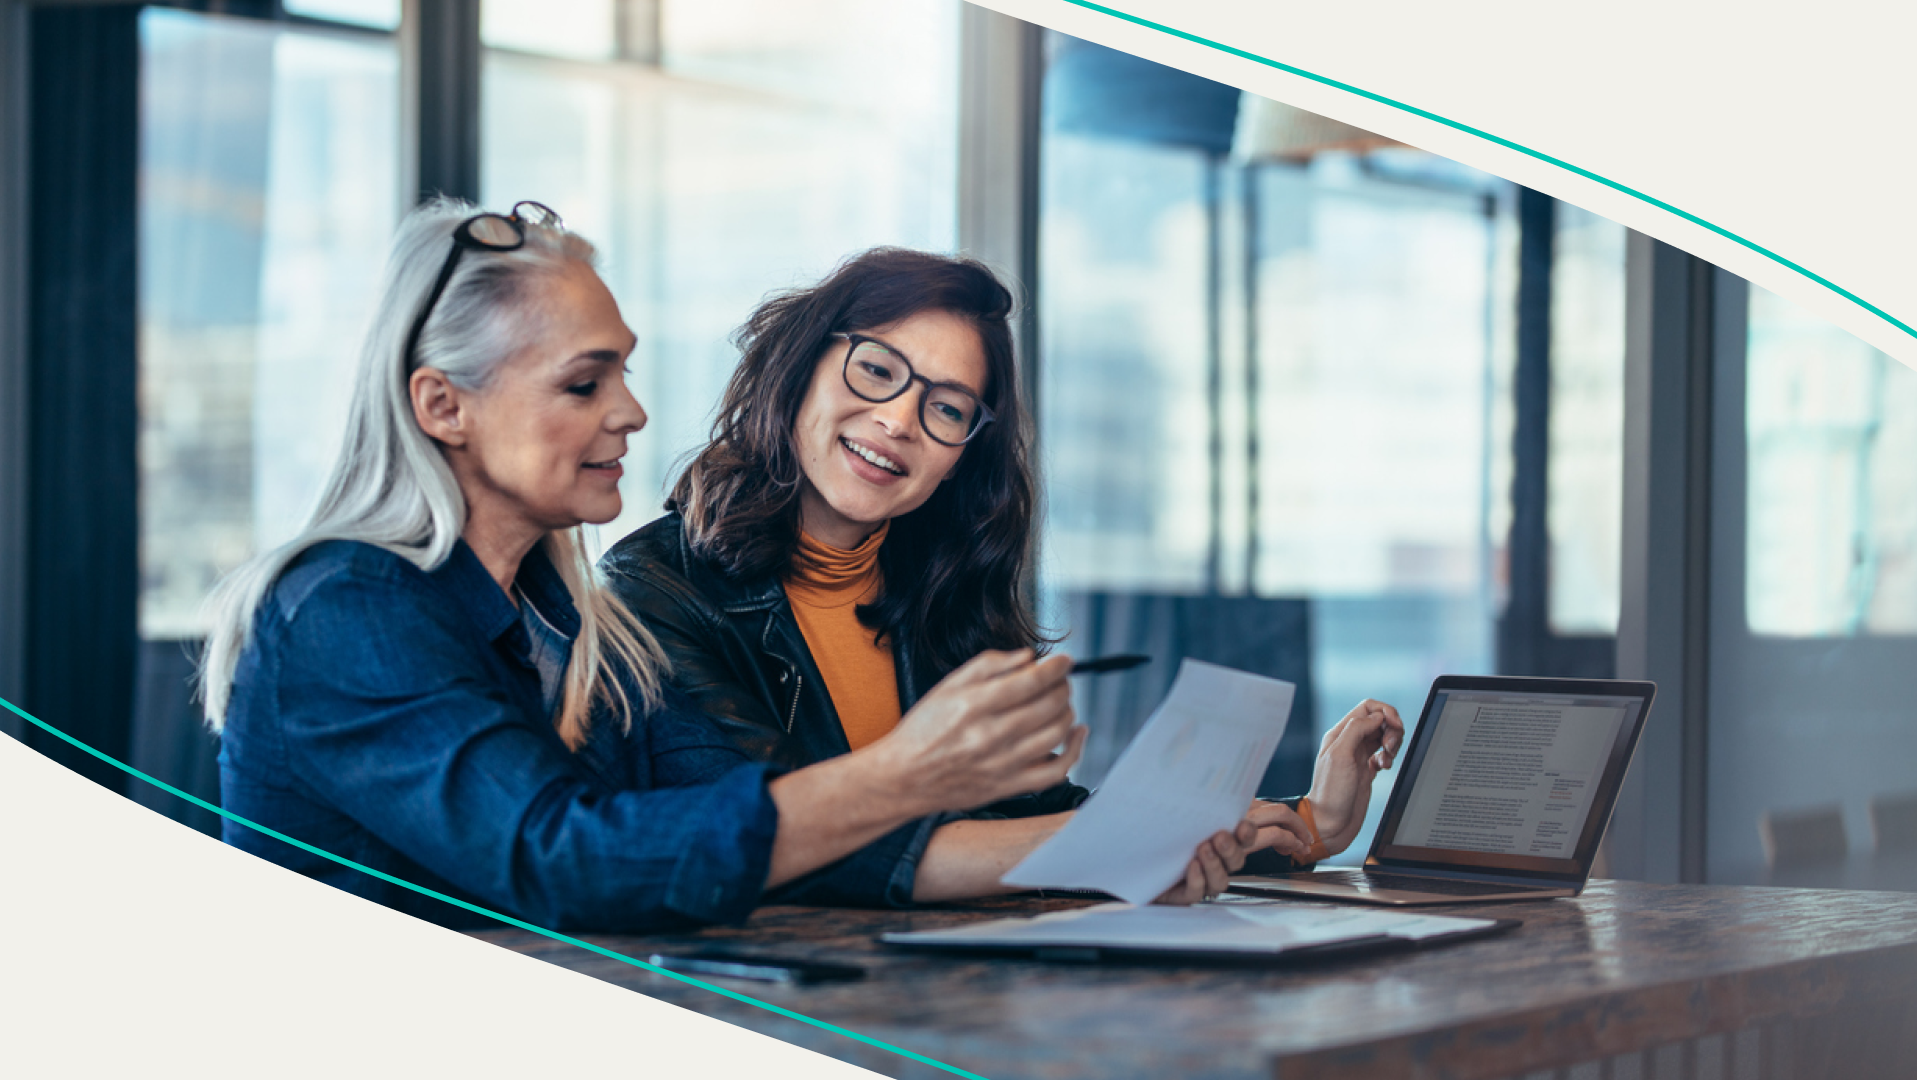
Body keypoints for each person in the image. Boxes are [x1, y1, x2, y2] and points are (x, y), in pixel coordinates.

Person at [202, 201, 1268, 934]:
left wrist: (1135, 845)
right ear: (444, 406)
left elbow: (761, 823)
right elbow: (558, 860)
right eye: (586, 383)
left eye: (622, 372)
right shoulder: (347, 610)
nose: (632, 411)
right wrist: (908, 773)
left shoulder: (572, 627)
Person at [600, 247, 1404, 879]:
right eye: (877, 370)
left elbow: (1032, 816)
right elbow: (776, 842)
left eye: (946, 407)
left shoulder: (942, 588)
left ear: (963, 452)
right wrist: (1110, 848)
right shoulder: (652, 590)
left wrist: (1308, 824)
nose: (897, 421)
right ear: (800, 365)